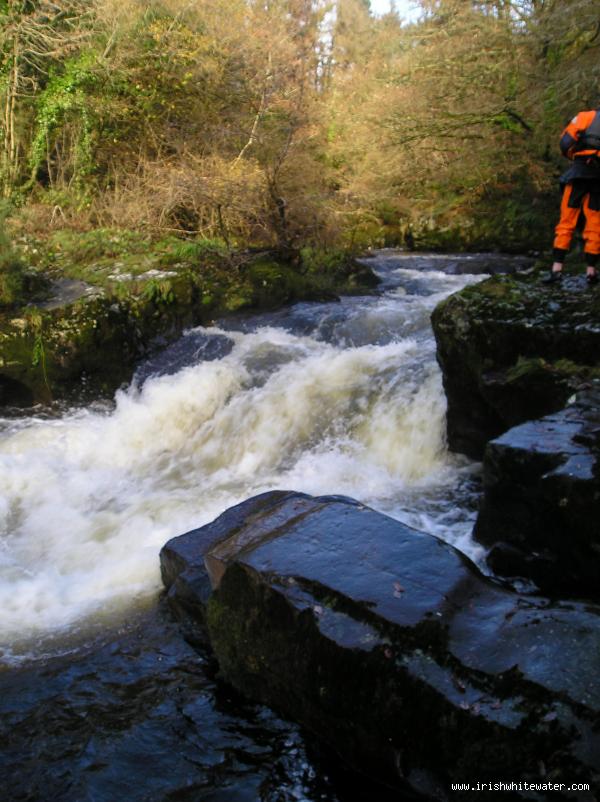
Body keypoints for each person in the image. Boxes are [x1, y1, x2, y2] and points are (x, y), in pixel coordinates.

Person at [546, 107, 600, 285]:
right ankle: (591, 271)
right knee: (595, 223)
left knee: (567, 220)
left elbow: (565, 143)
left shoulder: (585, 116)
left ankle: (557, 269)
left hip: (578, 173)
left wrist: (573, 155)